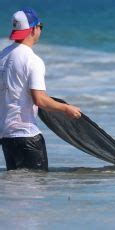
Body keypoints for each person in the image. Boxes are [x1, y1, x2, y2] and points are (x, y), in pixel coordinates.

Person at [0, 7, 81, 171]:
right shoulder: (32, 60)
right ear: (33, 29)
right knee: (35, 191)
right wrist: (66, 108)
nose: (40, 30)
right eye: (40, 26)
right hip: (27, 136)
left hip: (6, 136)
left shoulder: (3, 56)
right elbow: (40, 100)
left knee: (15, 191)